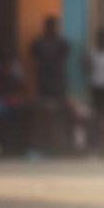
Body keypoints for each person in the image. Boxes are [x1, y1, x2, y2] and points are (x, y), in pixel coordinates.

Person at [29, 16, 69, 152]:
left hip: (58, 86)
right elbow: (33, 53)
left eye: (53, 26)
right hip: (43, 84)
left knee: (58, 116)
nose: (51, 28)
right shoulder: (38, 43)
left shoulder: (61, 43)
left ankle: (59, 146)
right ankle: (43, 144)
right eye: (49, 25)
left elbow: (66, 50)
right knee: (43, 115)